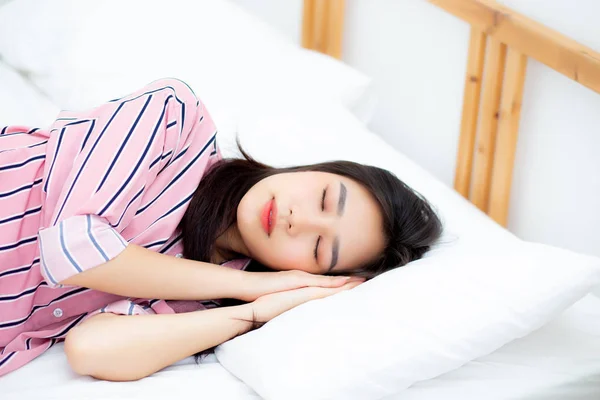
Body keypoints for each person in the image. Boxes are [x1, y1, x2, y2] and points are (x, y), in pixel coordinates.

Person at [0, 79, 442, 381]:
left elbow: (92, 349)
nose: (299, 220)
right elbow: (74, 250)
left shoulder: (201, 302)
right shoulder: (175, 119)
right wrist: (249, 285)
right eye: (325, 198)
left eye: (319, 247)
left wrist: (257, 310)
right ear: (314, 168)